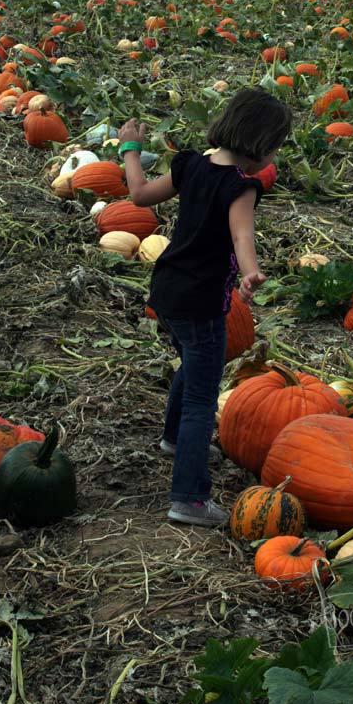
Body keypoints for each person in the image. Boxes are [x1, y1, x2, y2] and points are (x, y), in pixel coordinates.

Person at [118, 87, 292, 527]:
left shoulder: (189, 163)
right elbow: (242, 238)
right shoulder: (242, 187)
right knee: (201, 395)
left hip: (167, 292)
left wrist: (130, 149)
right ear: (261, 145)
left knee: (189, 364)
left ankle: (174, 439)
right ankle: (189, 498)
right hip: (201, 301)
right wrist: (250, 273)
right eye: (276, 147)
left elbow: (138, 195)